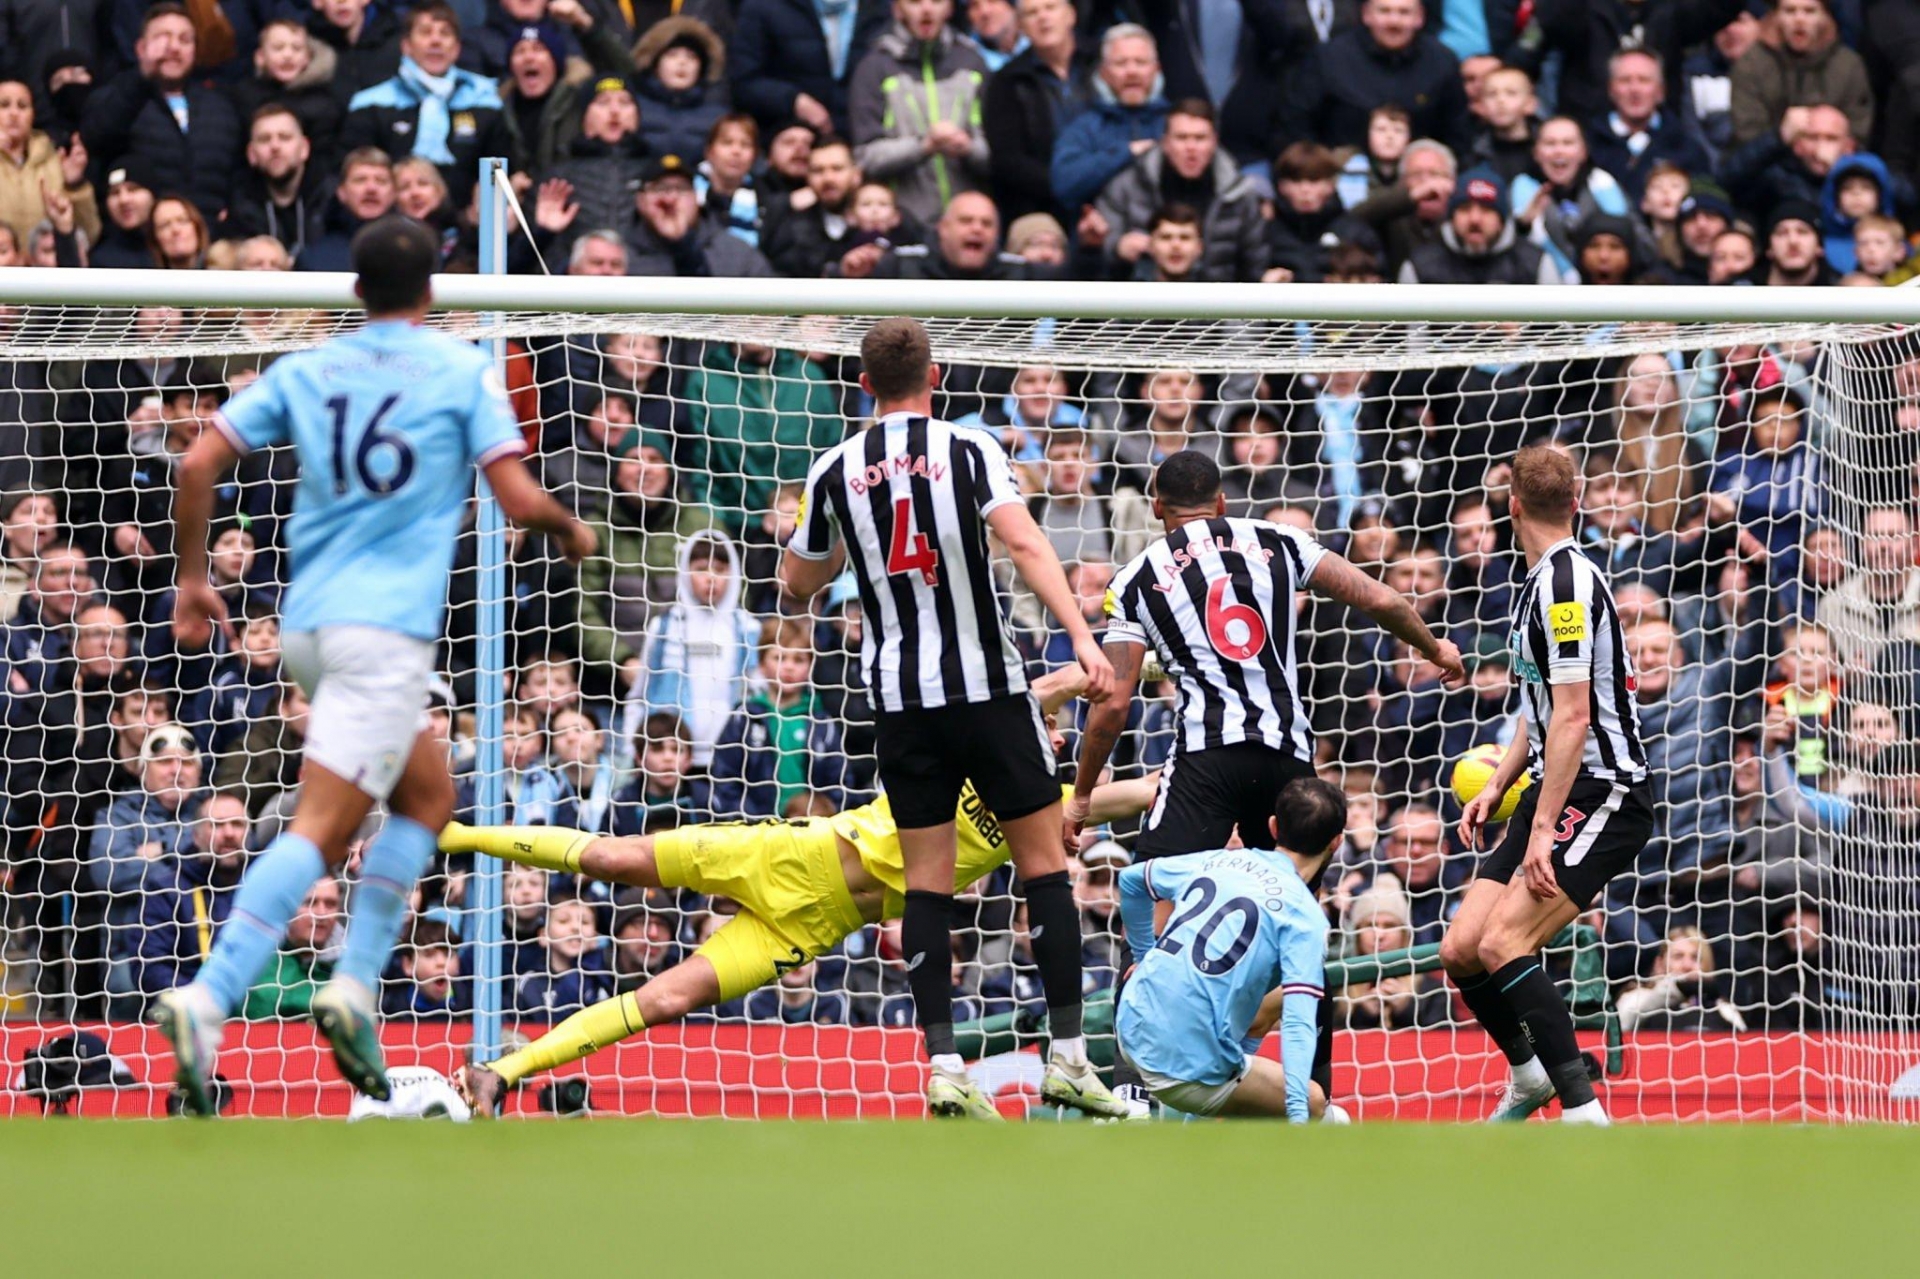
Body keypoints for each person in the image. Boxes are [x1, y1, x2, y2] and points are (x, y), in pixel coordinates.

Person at [149, 216, 595, 1117]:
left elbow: (197, 460)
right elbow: (513, 494)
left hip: (308, 626)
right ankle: (216, 993)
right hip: (382, 635)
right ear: (434, 290)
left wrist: (193, 577)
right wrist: (568, 526)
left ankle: (353, 981)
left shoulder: (312, 367)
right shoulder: (461, 368)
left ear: (355, 291)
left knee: (428, 796)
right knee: (319, 827)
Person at [442, 669, 1153, 1113]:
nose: (1056, 740)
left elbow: (1135, 793)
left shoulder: (1042, 813)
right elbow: (1053, 686)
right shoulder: (979, 749)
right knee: (613, 857)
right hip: (789, 857)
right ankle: (456, 834)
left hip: (812, 926)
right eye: (1055, 732)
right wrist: (1119, 667)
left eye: (1066, 744)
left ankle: (501, 1071)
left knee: (666, 998)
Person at [778, 316, 1121, 1120]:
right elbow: (1028, 545)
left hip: (901, 703)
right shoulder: (970, 451)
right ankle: (1068, 1056)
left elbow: (797, 584)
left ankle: (942, 1064)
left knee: (926, 885)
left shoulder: (832, 468)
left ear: (863, 384)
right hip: (990, 691)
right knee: (1044, 867)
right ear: (935, 378)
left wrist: (825, 557)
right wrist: (1080, 636)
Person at [1073, 448, 1462, 1111]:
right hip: (1285, 757)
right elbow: (1380, 595)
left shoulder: (1136, 576)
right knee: (1299, 929)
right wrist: (1434, 647)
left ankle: (1135, 1094)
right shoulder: (1278, 539)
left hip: (1206, 759)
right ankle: (1320, 1100)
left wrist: (1082, 792)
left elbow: (1112, 702)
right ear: (1223, 501)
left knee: (1161, 916)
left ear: (1159, 509)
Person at [1441, 444, 1656, 1126]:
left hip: (1604, 790)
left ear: (1509, 506)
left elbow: (1573, 716)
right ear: (1575, 500)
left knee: (1505, 942)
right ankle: (1531, 1076)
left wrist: (1537, 830)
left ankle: (1584, 1113)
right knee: (1461, 947)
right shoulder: (1538, 580)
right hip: (1552, 784)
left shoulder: (1565, 584)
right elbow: (1542, 711)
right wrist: (1498, 781)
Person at [1114, 776, 1346, 1121]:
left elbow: (1130, 880)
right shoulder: (1306, 919)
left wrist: (1144, 952)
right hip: (1183, 1071)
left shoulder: (1217, 860)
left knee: (1266, 1003)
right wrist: (1297, 1116)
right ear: (1336, 842)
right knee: (1317, 1106)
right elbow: (1298, 1024)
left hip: (1129, 1023)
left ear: (1273, 826)